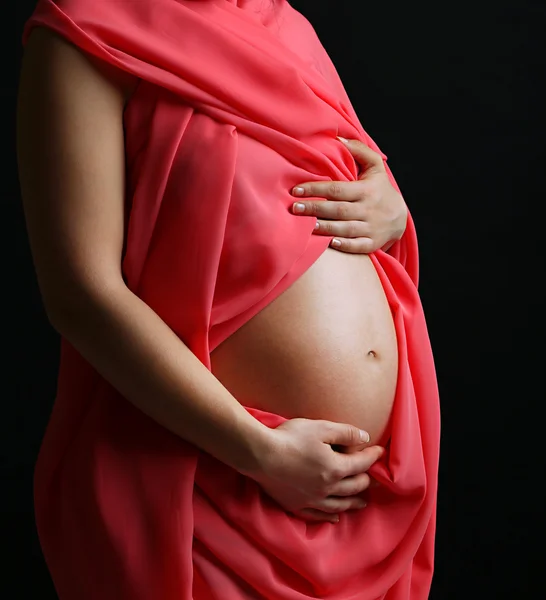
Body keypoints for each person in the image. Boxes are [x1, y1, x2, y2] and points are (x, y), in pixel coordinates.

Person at [16, 1, 440, 598]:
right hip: (202, 487)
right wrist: (261, 454)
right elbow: (80, 293)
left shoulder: (288, 25)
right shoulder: (86, 26)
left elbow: (352, 181)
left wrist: (392, 209)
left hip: (356, 502)